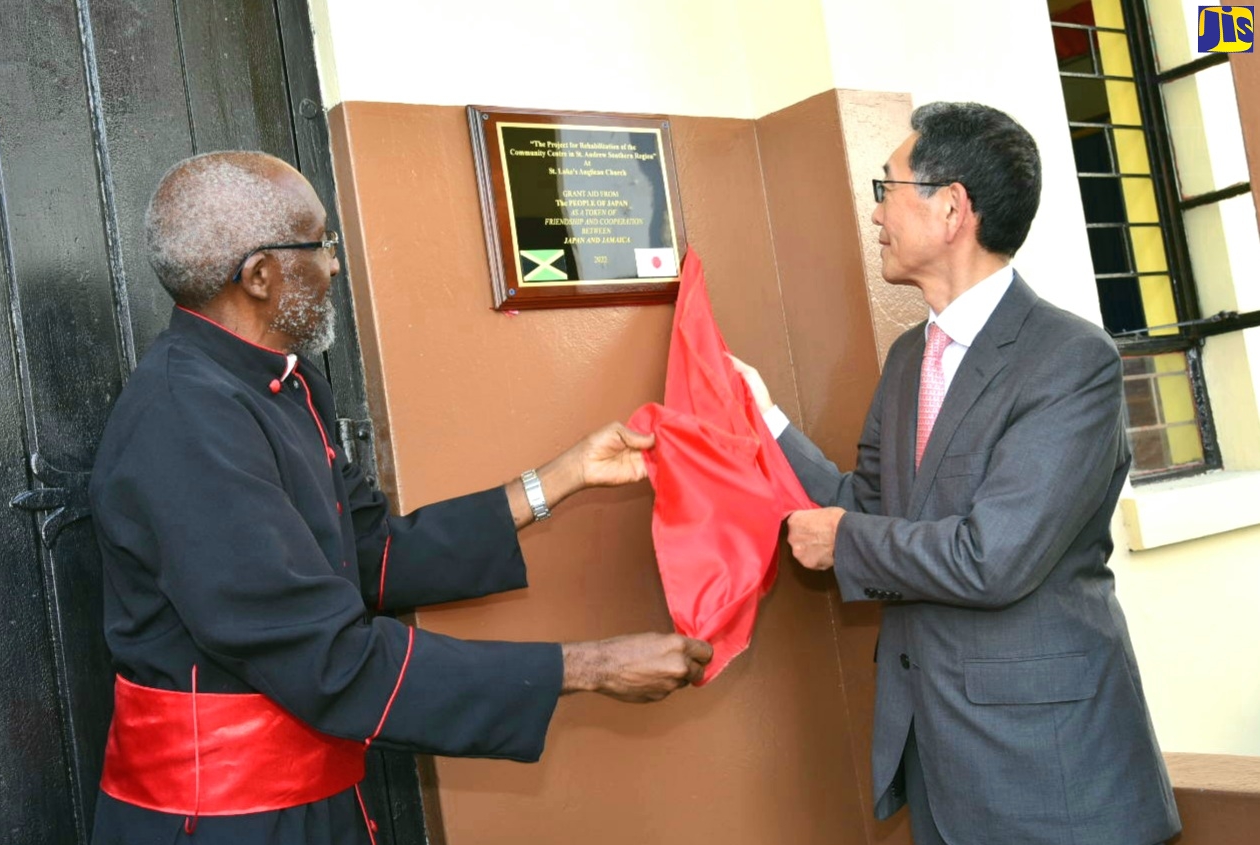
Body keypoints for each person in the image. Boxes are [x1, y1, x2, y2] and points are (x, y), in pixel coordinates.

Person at [88, 150, 711, 845]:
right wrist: (591, 666)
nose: (333, 265)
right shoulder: (184, 419)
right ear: (260, 275)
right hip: (223, 821)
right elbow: (327, 655)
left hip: (316, 803)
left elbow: (372, 553)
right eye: (320, 244)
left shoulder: (287, 385)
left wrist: (558, 479)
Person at [732, 102, 1179, 845]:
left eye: (888, 188)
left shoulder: (1073, 361)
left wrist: (845, 540)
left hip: (1051, 776)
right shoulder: (910, 359)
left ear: (951, 208)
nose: (876, 213)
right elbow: (864, 504)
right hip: (939, 764)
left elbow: (993, 557)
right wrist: (765, 418)